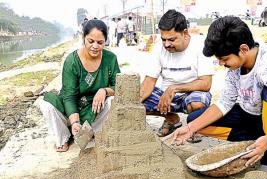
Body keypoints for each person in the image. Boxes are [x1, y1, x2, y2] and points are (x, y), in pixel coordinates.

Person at [172, 16, 267, 179]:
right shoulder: (235, 67)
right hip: (252, 116)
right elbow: (225, 102)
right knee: (195, 120)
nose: (221, 63)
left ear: (244, 49)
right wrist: (190, 129)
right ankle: (256, 141)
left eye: (224, 59)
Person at [39, 19, 121, 152]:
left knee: (112, 100)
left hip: (95, 109)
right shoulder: (72, 61)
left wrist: (104, 90)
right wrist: (75, 121)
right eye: (91, 41)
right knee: (46, 105)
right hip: (72, 107)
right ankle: (64, 137)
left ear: (105, 41)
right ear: (84, 38)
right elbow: (69, 95)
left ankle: (91, 133)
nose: (95, 46)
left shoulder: (110, 58)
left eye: (100, 42)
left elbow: (120, 86)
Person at [140, 10, 214, 137]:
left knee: (198, 103)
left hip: (190, 94)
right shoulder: (159, 48)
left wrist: (174, 88)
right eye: (164, 39)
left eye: (172, 39)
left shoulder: (200, 46)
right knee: (137, 101)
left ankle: (193, 128)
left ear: (185, 33)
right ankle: (171, 119)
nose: (167, 44)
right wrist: (134, 102)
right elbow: (149, 81)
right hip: (165, 98)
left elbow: (206, 83)